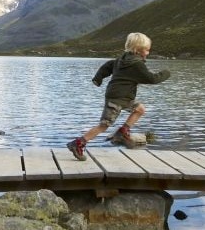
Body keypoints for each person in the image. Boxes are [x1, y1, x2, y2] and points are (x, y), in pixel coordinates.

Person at [66, 32, 171, 161]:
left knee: (140, 109)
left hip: (125, 97)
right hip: (117, 98)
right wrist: (166, 73)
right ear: (138, 50)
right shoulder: (136, 64)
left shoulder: (122, 59)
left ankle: (123, 131)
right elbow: (151, 79)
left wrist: (98, 78)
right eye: (147, 50)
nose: (148, 53)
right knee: (104, 125)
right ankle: (78, 143)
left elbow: (108, 66)